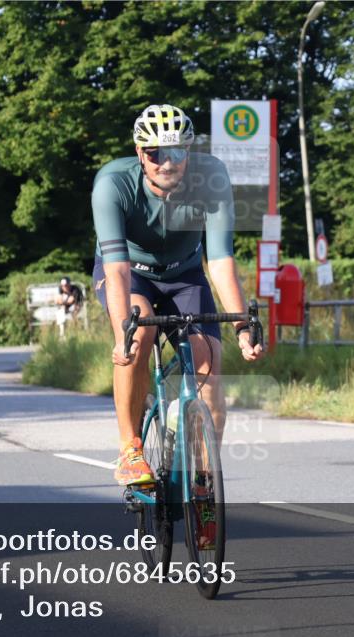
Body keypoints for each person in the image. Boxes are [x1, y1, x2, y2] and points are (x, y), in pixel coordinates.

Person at [92, 103, 264, 487]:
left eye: (176, 153)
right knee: (139, 334)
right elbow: (116, 270)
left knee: (209, 368)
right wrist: (123, 337)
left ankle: (202, 486)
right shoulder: (113, 183)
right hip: (129, 274)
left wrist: (241, 326)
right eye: (155, 153)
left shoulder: (212, 177)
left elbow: (219, 262)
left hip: (186, 275)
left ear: (189, 152)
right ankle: (130, 448)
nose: (166, 163)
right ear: (140, 153)